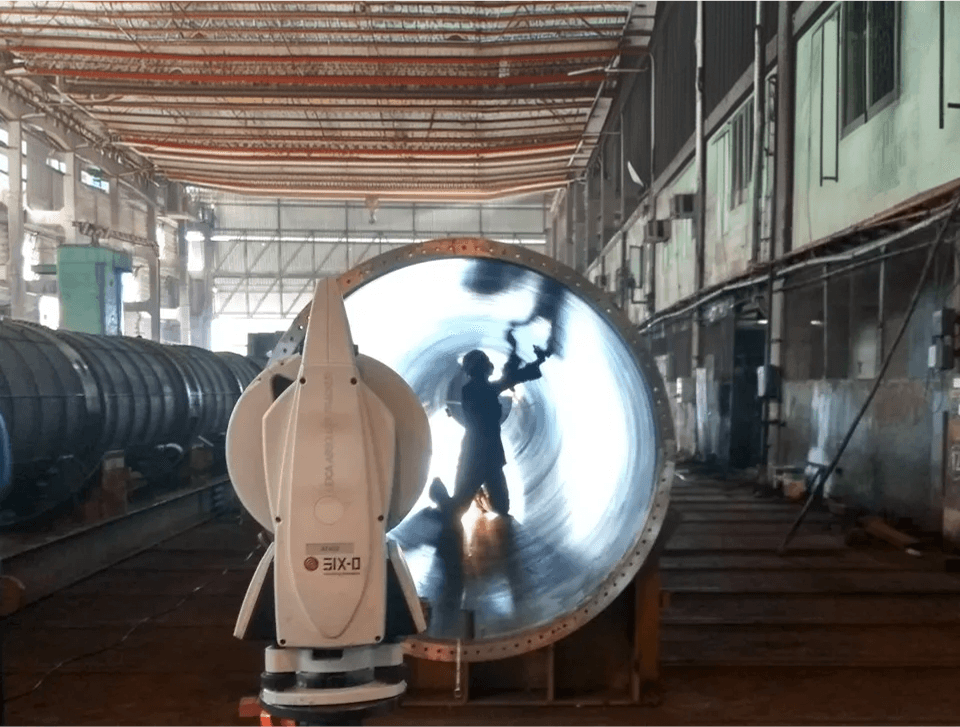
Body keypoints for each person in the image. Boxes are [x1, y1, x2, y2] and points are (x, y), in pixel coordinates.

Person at [432, 334, 549, 519]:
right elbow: (509, 379)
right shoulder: (472, 390)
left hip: (491, 456)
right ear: (478, 368)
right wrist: (516, 354)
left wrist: (534, 360)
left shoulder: (484, 388)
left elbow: (510, 379)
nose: (489, 365)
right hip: (474, 457)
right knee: (457, 510)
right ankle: (439, 493)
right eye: (485, 362)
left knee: (502, 509)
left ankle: (479, 498)